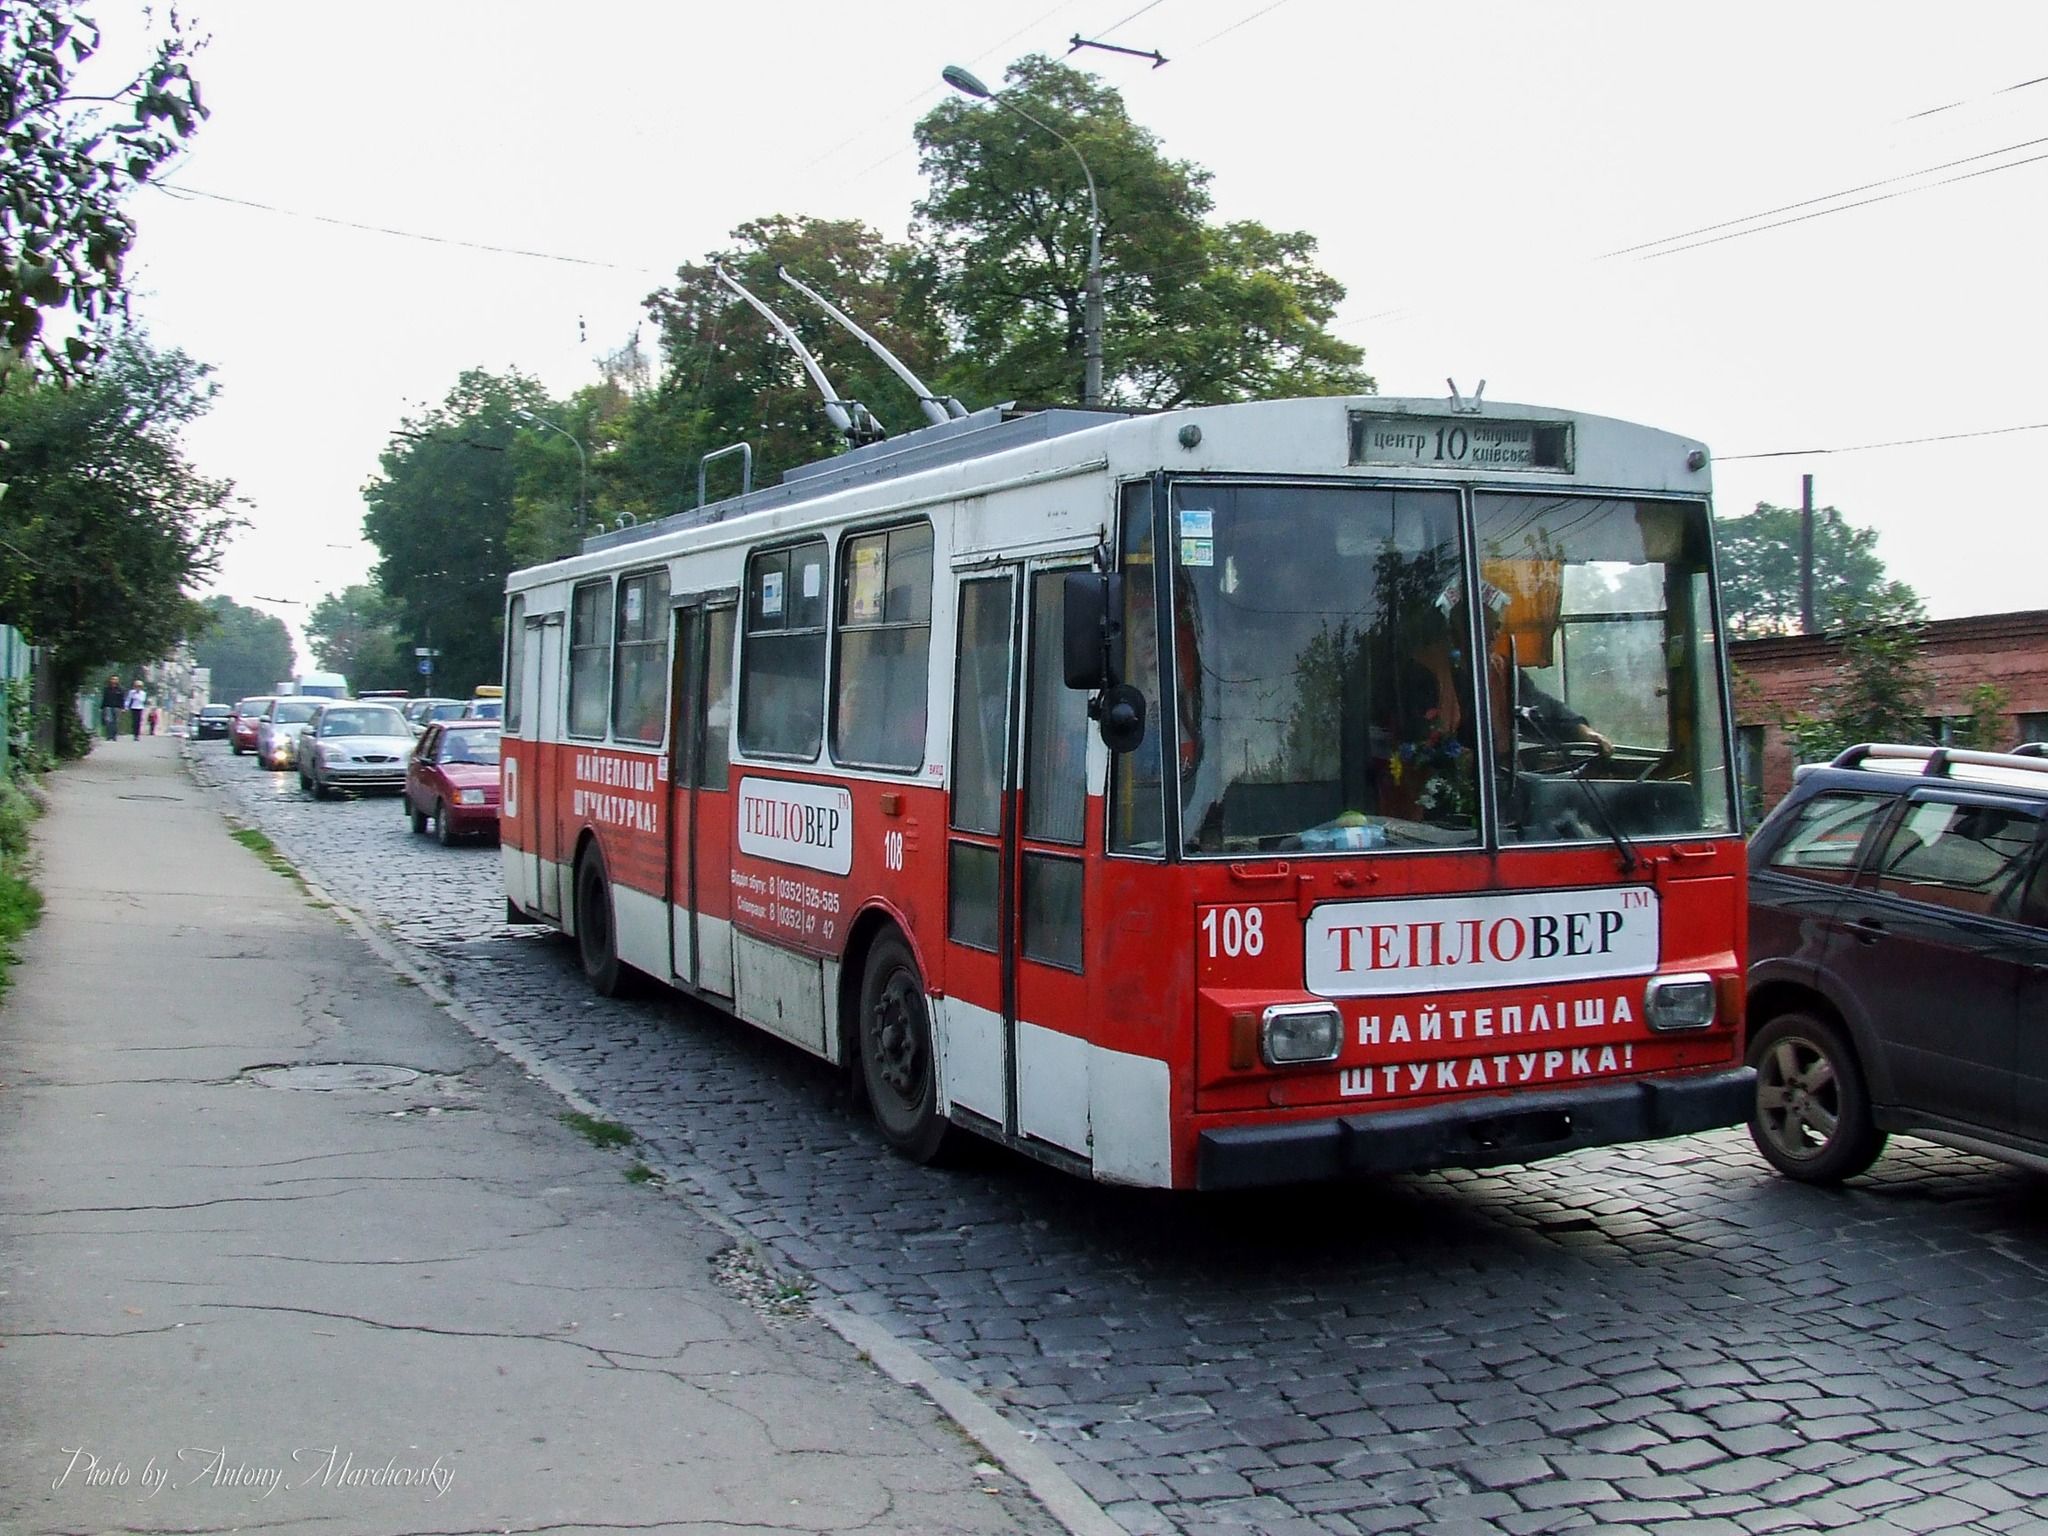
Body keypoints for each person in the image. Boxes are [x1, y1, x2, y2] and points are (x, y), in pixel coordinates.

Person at [99, 675, 123, 742]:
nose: (114, 680)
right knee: (109, 721)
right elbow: (104, 698)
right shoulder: (106, 689)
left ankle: (114, 736)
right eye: (113, 679)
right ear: (110, 680)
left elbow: (122, 699)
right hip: (108, 707)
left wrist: (122, 708)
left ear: (118, 681)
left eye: (116, 679)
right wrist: (102, 707)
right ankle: (109, 736)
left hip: (117, 707)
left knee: (116, 722)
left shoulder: (120, 689)